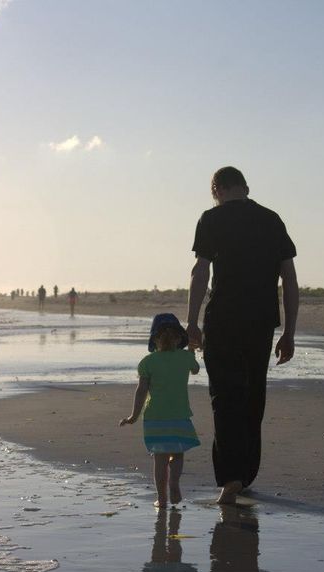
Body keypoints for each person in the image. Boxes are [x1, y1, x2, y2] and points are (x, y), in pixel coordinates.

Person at [186, 166, 299, 505]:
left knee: (225, 396)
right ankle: (245, 474)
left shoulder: (211, 219)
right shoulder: (272, 219)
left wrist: (191, 322)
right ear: (245, 187)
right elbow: (289, 279)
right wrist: (290, 331)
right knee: (252, 395)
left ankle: (232, 477)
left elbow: (200, 271)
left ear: (216, 189)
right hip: (261, 322)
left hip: (222, 320)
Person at [120, 313, 200, 508]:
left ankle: (162, 498)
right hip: (179, 416)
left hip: (155, 418)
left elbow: (141, 391)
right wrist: (191, 350)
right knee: (178, 453)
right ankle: (174, 483)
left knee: (160, 458)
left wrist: (133, 416)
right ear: (179, 337)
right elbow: (196, 370)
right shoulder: (185, 358)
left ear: (154, 339)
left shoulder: (148, 362)